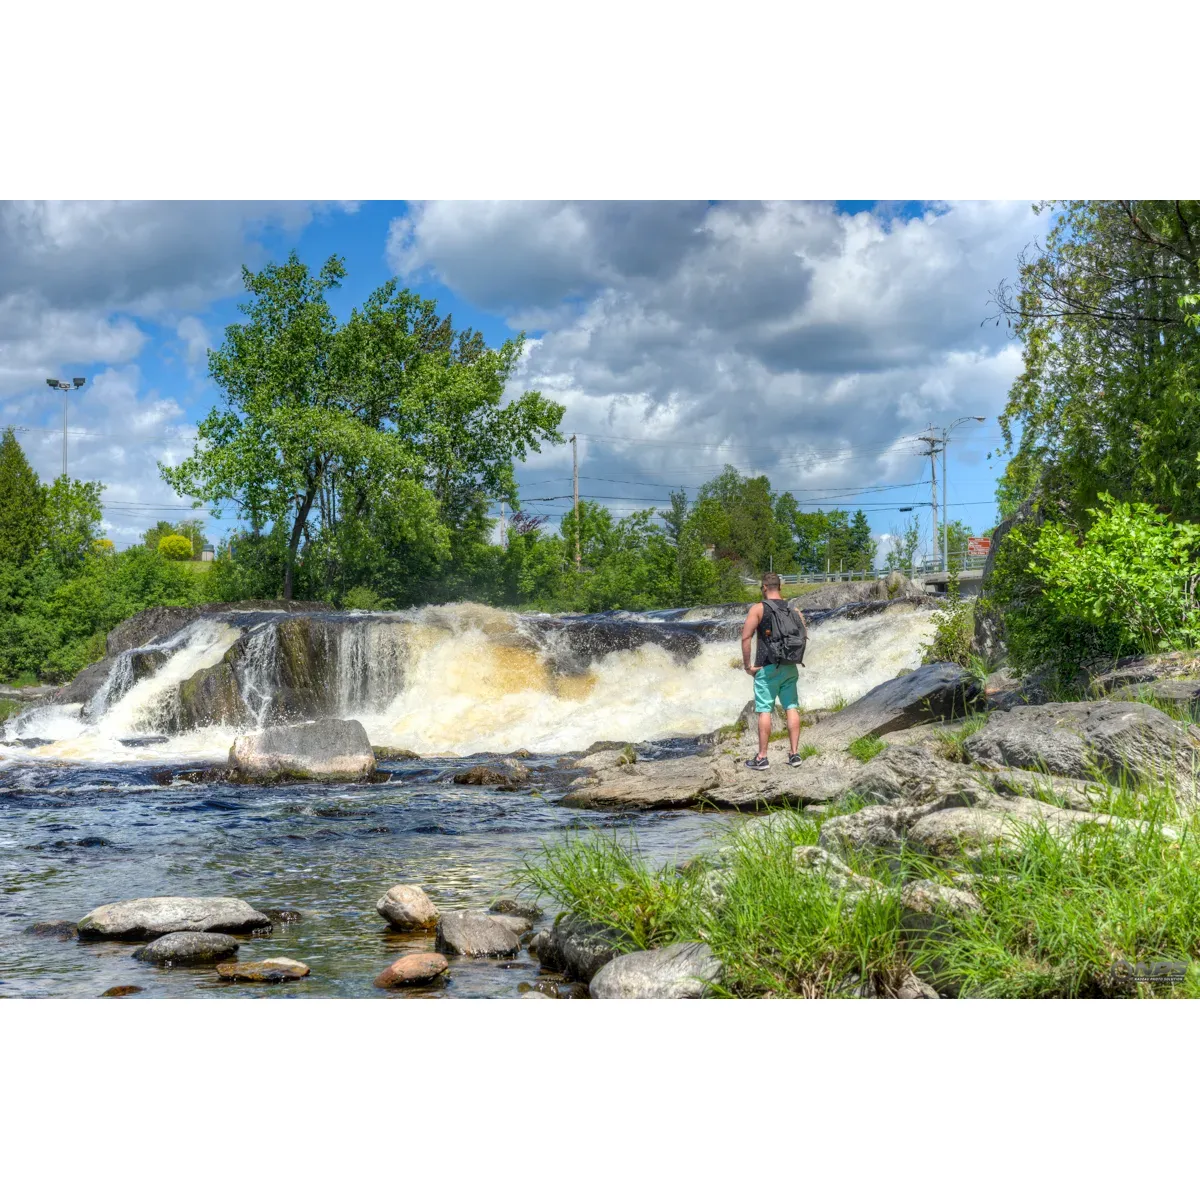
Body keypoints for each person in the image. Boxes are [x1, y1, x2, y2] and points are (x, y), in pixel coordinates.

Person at [740, 572, 808, 770]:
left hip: (766, 666)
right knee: (791, 707)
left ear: (763, 588)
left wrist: (748, 666)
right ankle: (795, 754)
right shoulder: (793, 609)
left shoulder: (759, 609)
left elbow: (746, 638)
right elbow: (803, 635)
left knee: (764, 711)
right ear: (780, 587)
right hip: (789, 666)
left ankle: (762, 757)